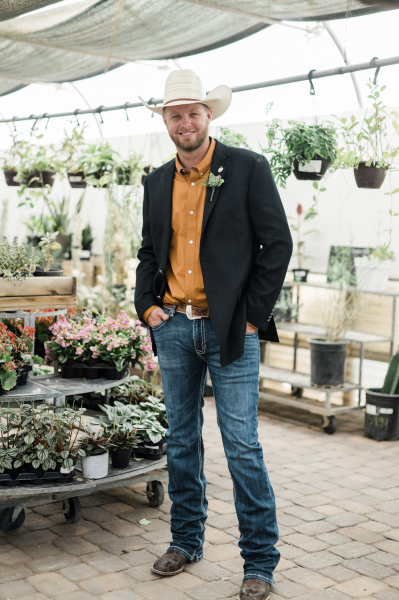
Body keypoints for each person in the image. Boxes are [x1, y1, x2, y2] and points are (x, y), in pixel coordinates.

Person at [135, 69, 292, 600]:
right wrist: (147, 306)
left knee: (242, 445)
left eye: (193, 113)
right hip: (174, 328)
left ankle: (260, 562)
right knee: (180, 440)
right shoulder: (156, 181)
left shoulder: (246, 167)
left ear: (209, 116)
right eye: (175, 115)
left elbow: (277, 244)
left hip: (231, 330)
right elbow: (150, 254)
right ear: (166, 122)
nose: (185, 122)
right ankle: (185, 540)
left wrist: (250, 316)